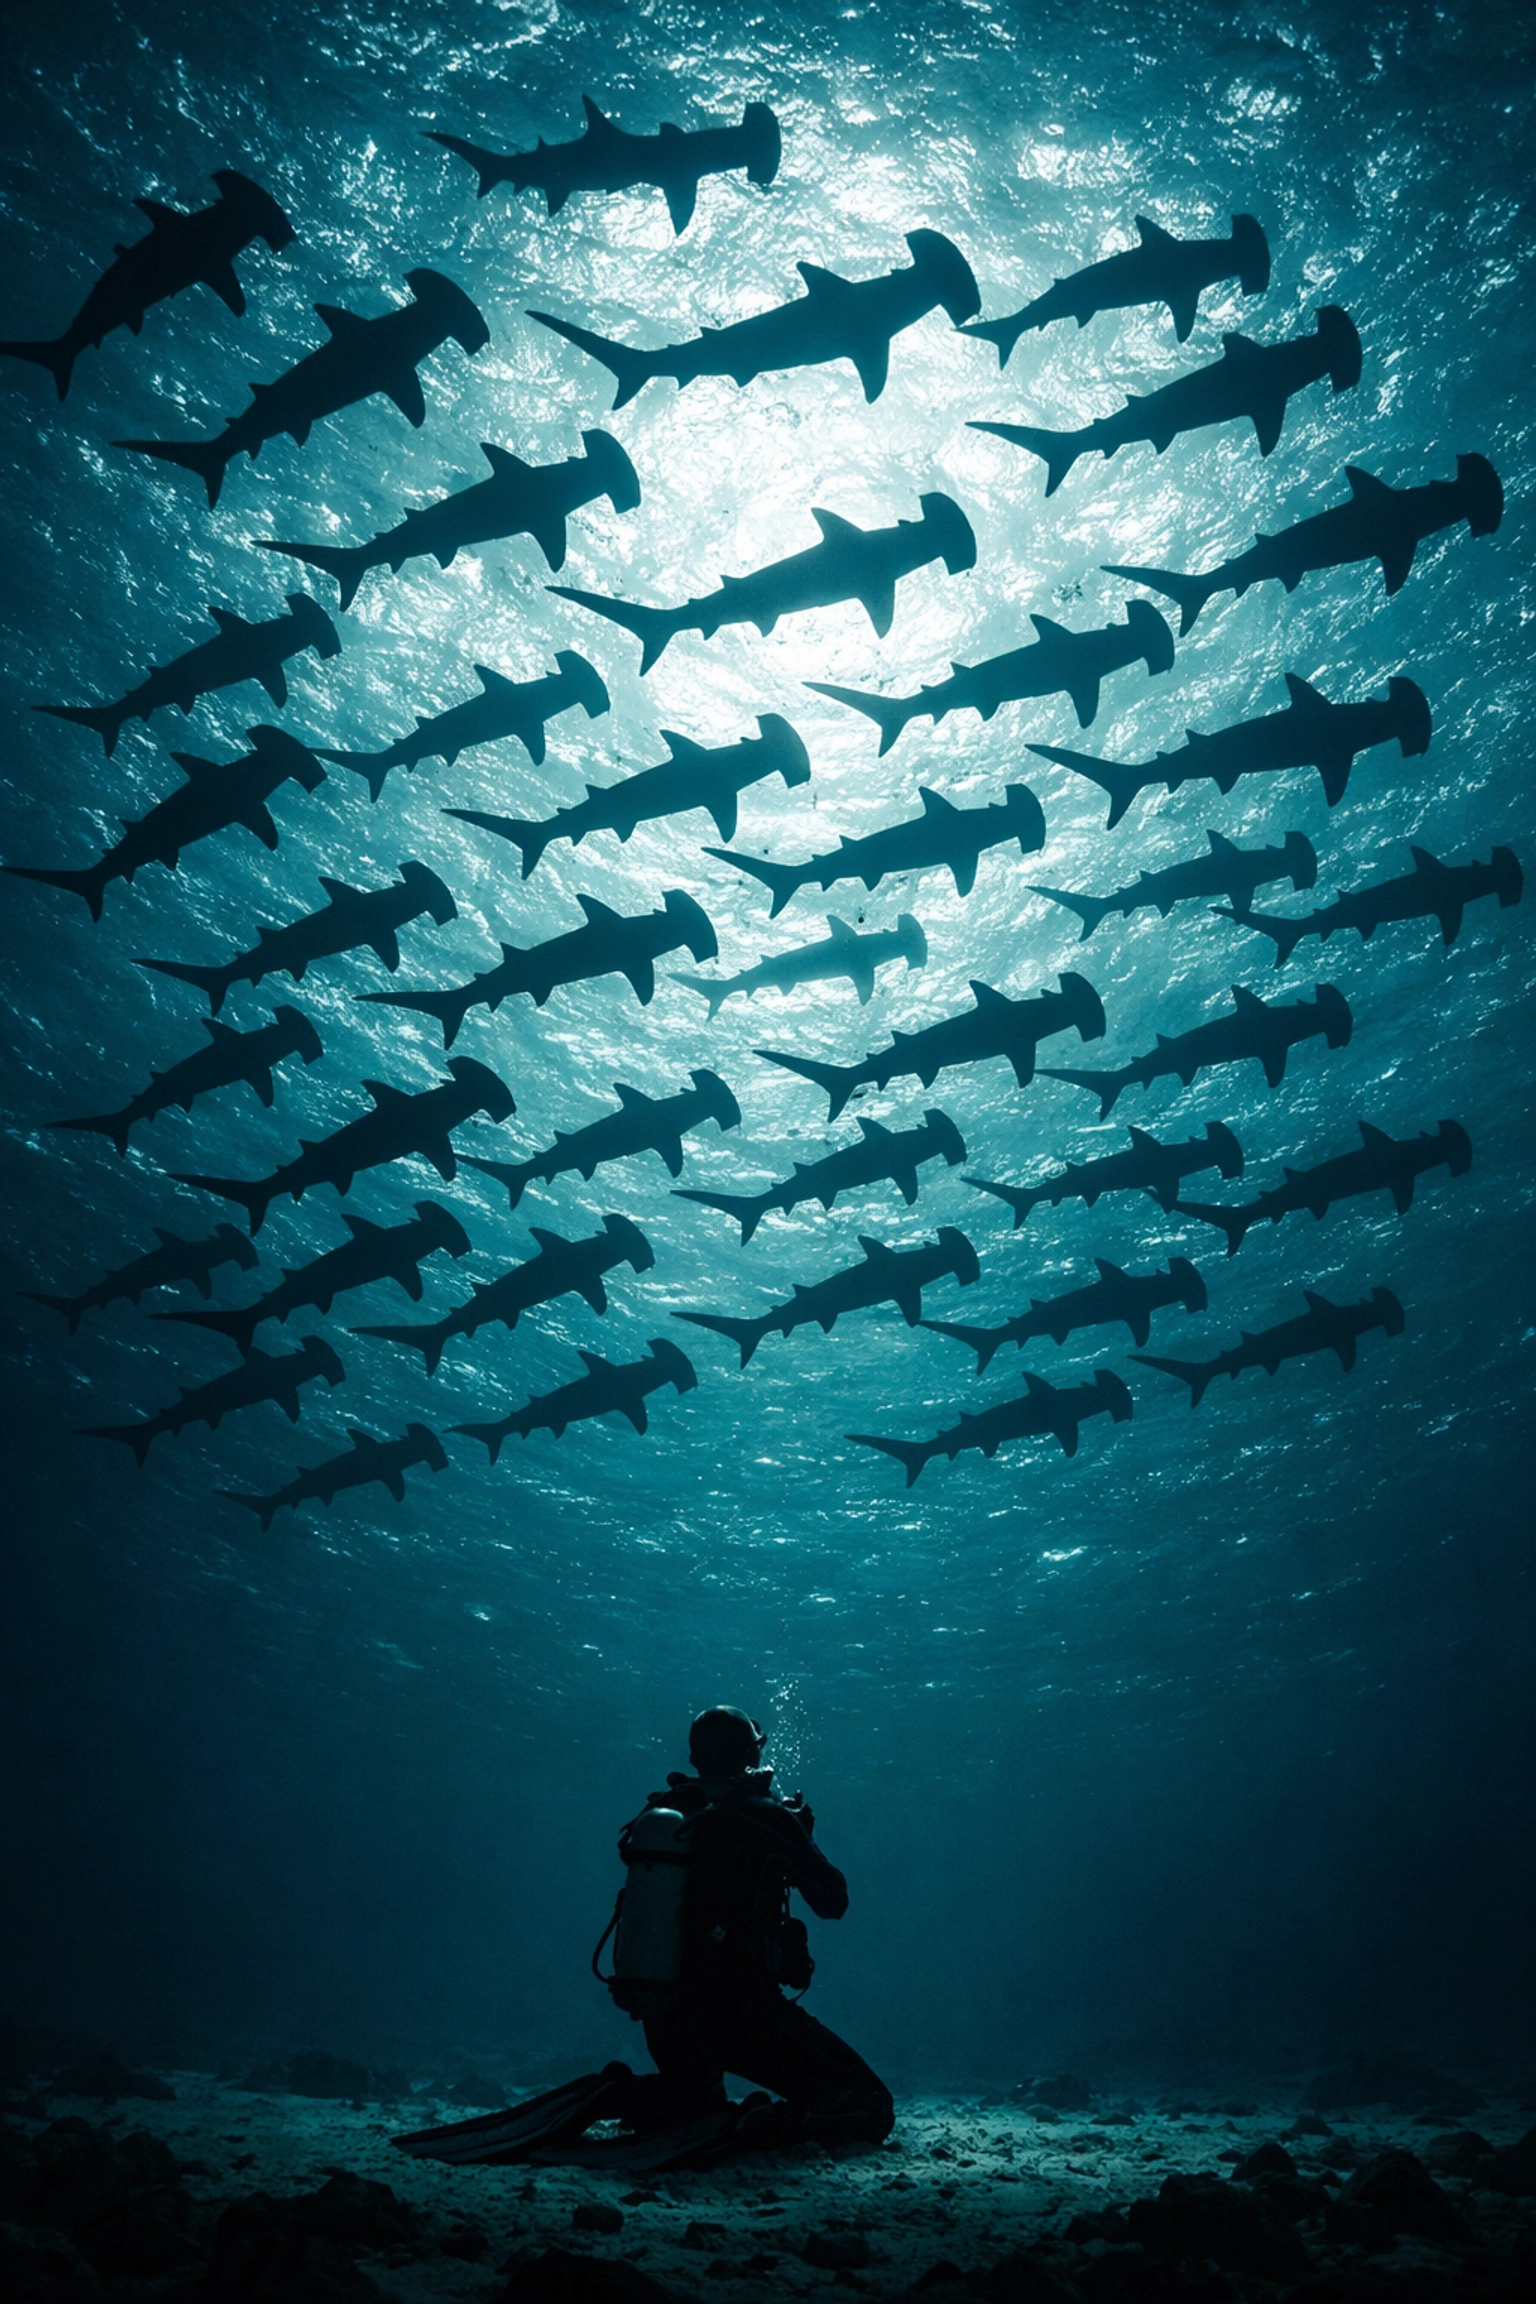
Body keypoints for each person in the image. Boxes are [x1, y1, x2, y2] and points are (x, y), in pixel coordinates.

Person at [614, 1704, 894, 2146]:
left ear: (693, 1758)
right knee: (871, 2105)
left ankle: (621, 2094)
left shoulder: (666, 1814)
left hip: (666, 2018)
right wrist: (803, 1833)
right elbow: (833, 1902)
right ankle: (771, 2125)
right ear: (751, 1755)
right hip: (744, 2015)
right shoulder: (767, 1816)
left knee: (694, 2106)